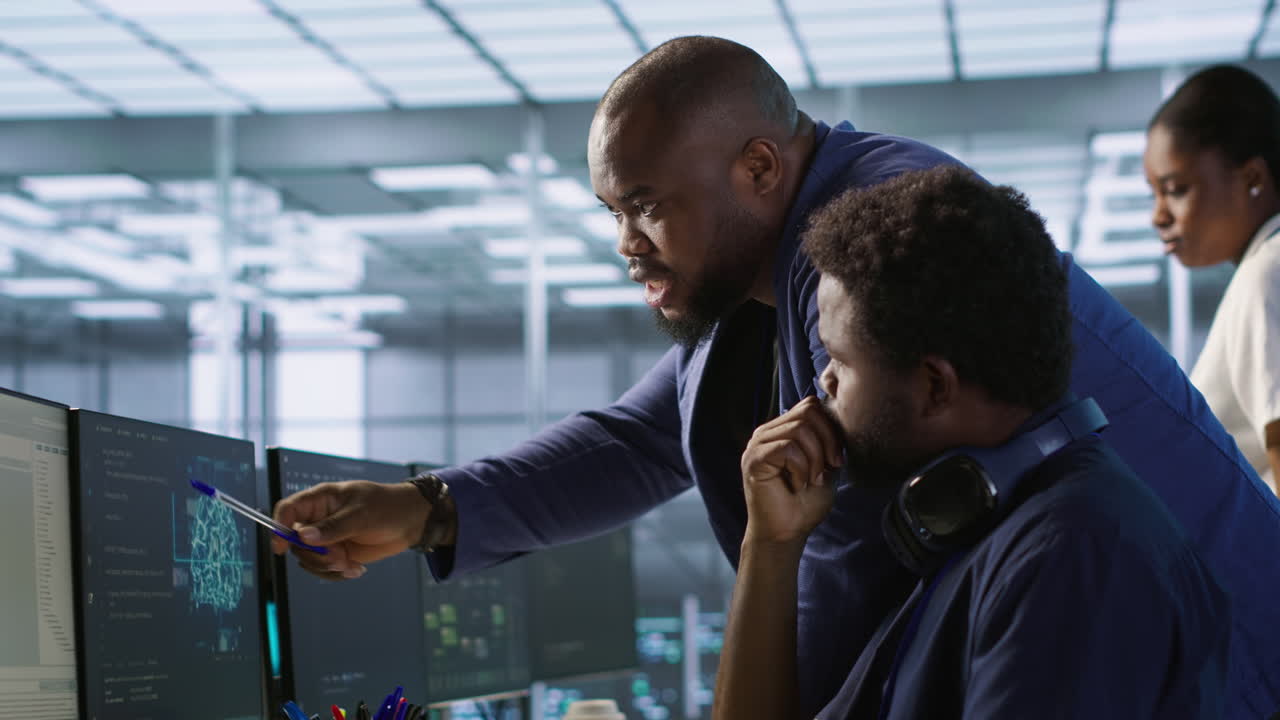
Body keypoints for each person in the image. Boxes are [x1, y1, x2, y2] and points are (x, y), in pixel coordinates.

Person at [273, 37, 1280, 716]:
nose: (624, 243)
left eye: (643, 205)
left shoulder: (866, 259)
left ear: (756, 168)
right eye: (610, 212)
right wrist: (425, 507)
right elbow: (645, 433)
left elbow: (830, 600)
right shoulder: (775, 257)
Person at [714, 165, 1228, 719]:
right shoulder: (989, 527)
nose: (824, 383)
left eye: (840, 360)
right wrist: (770, 545)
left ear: (935, 386)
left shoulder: (1071, 557)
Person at [1145, 64, 1280, 493]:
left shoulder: (1268, 276)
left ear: (1253, 178)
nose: (1158, 215)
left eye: (1176, 189)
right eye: (1155, 193)